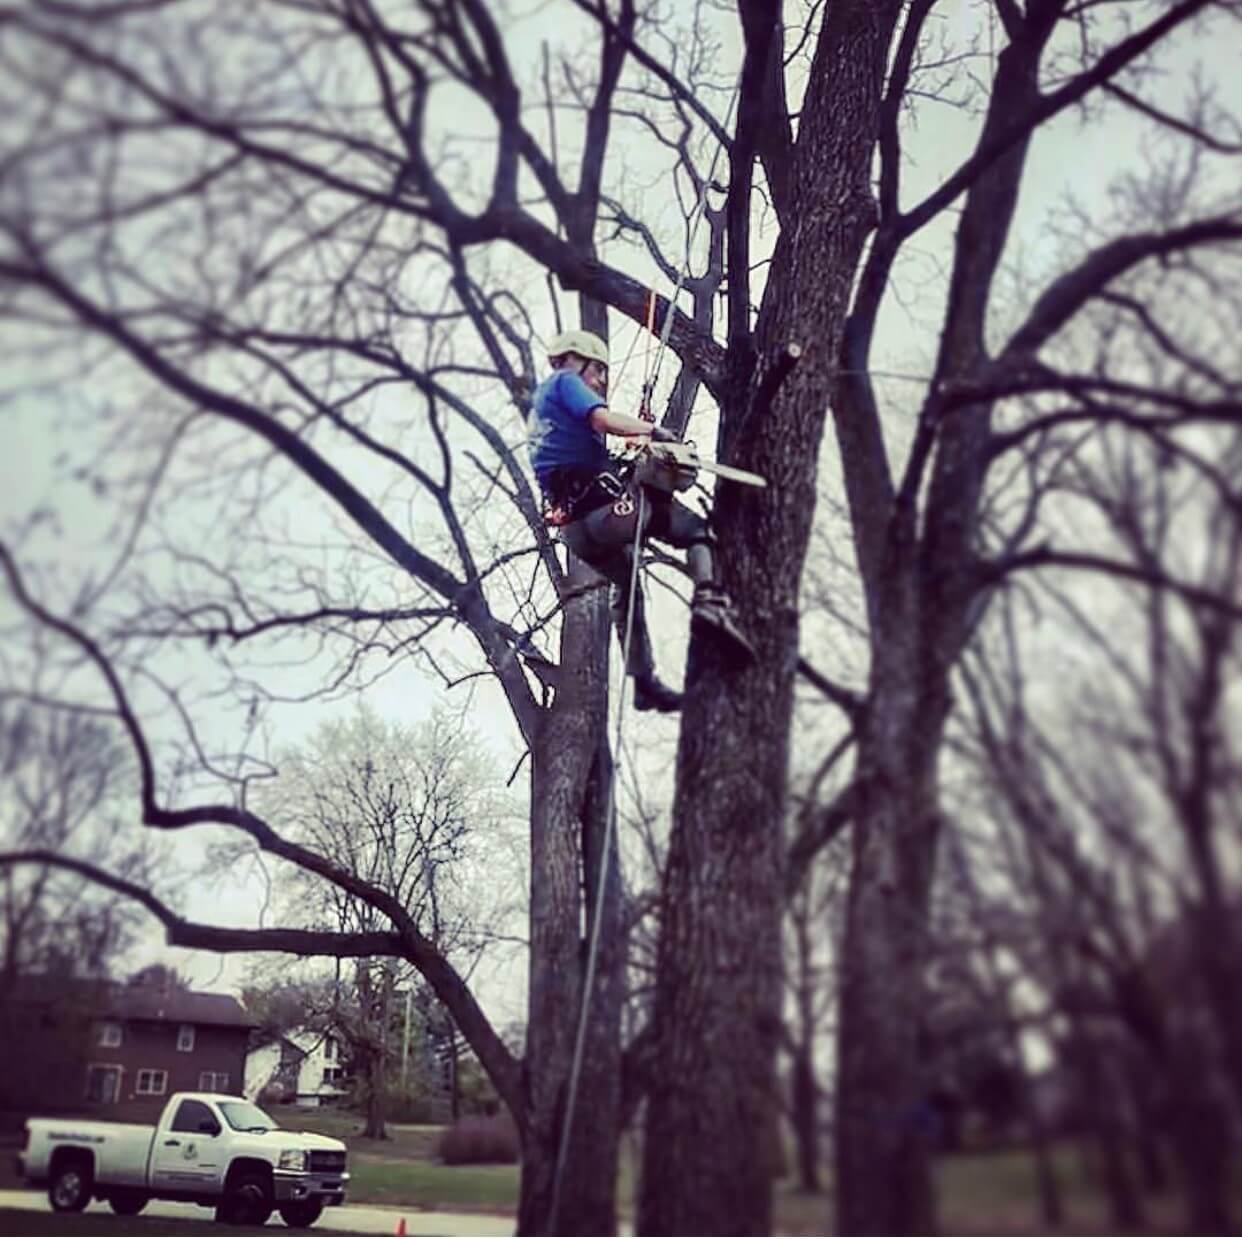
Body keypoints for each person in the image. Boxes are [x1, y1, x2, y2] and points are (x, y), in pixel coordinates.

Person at [527, 328, 753, 713]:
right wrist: (653, 431)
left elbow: (579, 461)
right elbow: (602, 420)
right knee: (693, 528)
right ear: (576, 359)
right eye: (597, 371)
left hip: (577, 533)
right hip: (604, 516)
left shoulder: (542, 412)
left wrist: (623, 455)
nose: (600, 381)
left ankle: (643, 681)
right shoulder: (565, 381)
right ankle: (710, 602)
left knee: (627, 582)